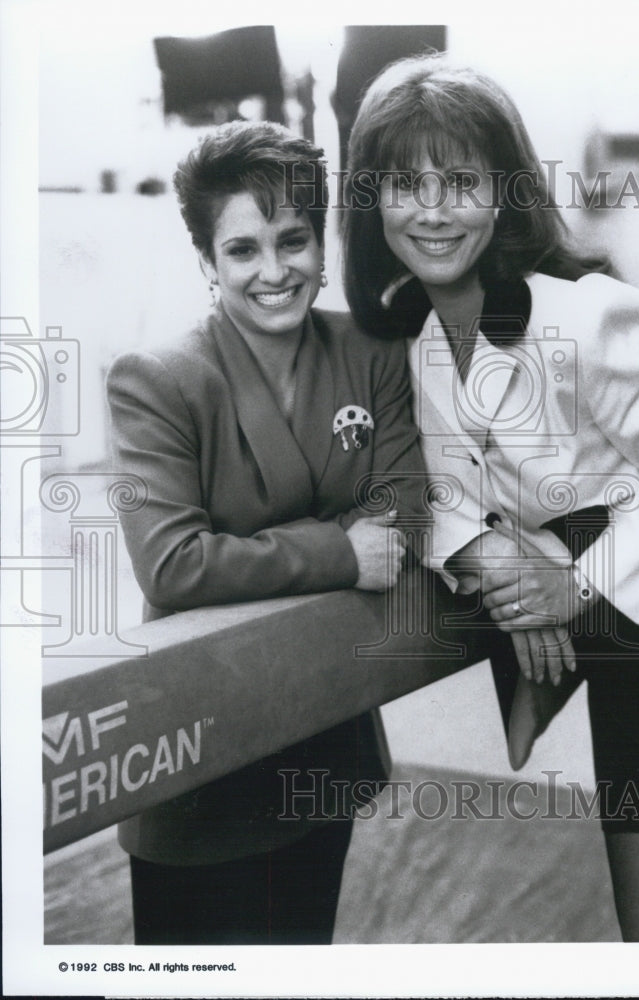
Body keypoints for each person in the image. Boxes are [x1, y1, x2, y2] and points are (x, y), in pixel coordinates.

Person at [342, 55, 639, 942]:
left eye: (459, 180)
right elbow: (430, 488)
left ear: (503, 191)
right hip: (596, 611)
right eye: (405, 184)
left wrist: (574, 584)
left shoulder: (584, 313)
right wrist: (491, 563)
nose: (433, 209)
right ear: (370, 199)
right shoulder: (404, 336)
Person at [106, 120, 425, 944]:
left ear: (320, 243)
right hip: (196, 745)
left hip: (325, 728)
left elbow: (404, 507)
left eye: (293, 241)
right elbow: (173, 566)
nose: (274, 271)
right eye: (242, 250)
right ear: (207, 263)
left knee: (300, 960)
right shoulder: (157, 380)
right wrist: (339, 549)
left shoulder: (372, 350)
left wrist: (325, 545)